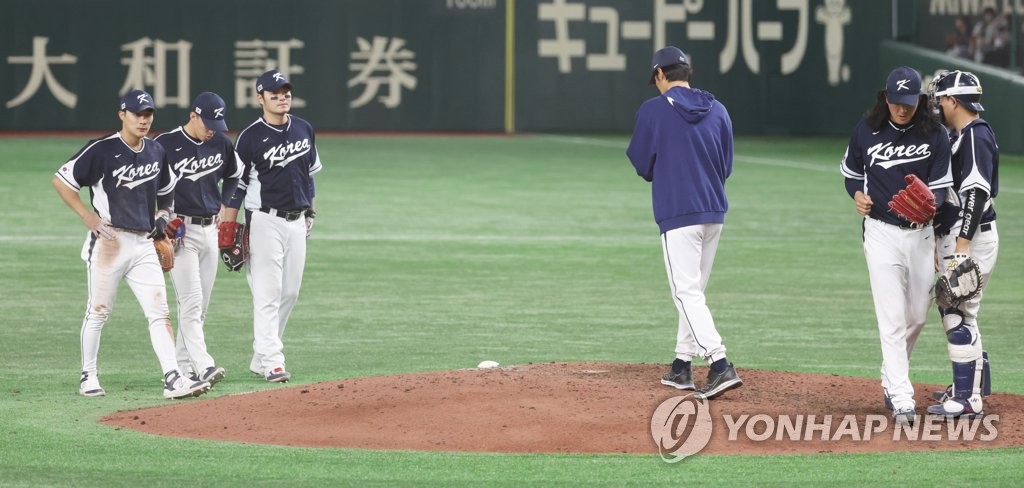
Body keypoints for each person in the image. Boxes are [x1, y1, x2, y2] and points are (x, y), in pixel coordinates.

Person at [51, 88, 211, 399]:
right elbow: (61, 180)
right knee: (98, 311)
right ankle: (88, 375)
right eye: (138, 114)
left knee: (159, 312)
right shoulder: (100, 150)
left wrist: (163, 217)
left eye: (148, 114)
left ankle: (172, 379)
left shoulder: (155, 151)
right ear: (122, 114)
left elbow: (167, 191)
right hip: (109, 243)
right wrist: (88, 217)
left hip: (144, 244)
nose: (143, 119)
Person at [627, 46, 742, 400]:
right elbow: (726, 166)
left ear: (661, 74)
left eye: (656, 78)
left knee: (685, 291)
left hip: (679, 213)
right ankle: (681, 365)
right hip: (714, 211)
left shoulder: (653, 110)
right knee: (694, 292)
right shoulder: (719, 110)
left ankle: (720, 364)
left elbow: (643, 165)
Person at [839, 67, 952, 425]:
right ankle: (901, 396)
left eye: (909, 103)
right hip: (881, 233)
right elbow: (851, 172)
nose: (902, 110)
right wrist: (857, 194)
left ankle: (890, 373)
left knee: (917, 314)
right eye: (896, 102)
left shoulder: (935, 134)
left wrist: (929, 203)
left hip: (920, 234)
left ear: (920, 100)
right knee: (890, 317)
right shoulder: (866, 130)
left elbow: (940, 188)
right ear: (885, 98)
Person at [223, 69, 322, 383]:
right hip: (263, 220)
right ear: (260, 98)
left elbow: (309, 176)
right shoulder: (250, 137)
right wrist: (228, 223)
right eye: (275, 94)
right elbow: (236, 185)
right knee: (267, 293)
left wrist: (310, 213)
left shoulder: (304, 129)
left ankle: (260, 355)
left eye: (286, 93)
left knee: (289, 292)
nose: (282, 98)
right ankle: (273, 361)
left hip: (296, 223)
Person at [154, 92, 242, 386]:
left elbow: (234, 176)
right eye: (207, 123)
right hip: (180, 234)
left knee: (199, 306)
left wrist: (225, 205)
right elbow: (147, 187)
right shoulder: (165, 145)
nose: (211, 130)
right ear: (193, 116)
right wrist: (161, 219)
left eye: (216, 124)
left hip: (210, 232)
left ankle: (182, 365)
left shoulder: (220, 141)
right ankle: (204, 365)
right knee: (190, 302)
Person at [926, 70, 998, 418]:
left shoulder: (974, 136)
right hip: (962, 235)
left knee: (955, 312)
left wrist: (962, 245)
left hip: (971, 236)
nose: (938, 104)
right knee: (961, 311)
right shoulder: (964, 135)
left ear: (954, 101)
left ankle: (968, 400)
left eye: (941, 99)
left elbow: (976, 193)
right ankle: (971, 387)